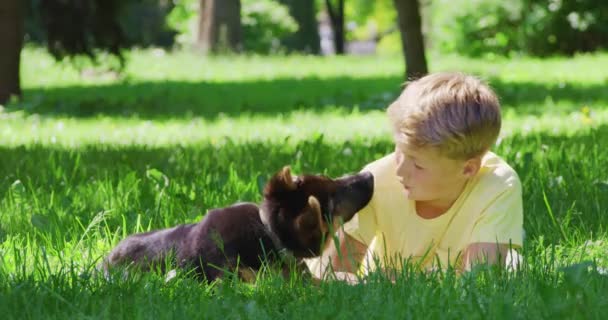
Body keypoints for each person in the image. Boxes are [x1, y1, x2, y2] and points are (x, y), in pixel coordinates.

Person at [307, 72, 524, 280]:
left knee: (513, 267)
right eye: (399, 151)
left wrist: (390, 281)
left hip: (381, 283)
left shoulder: (497, 185)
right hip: (377, 291)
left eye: (418, 165)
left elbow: (480, 283)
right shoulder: (375, 181)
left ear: (468, 169)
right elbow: (328, 275)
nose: (400, 170)